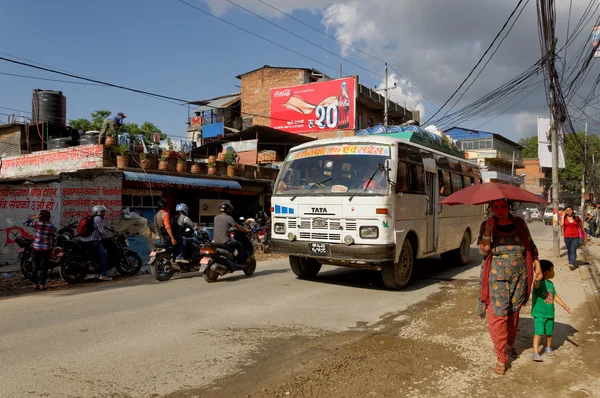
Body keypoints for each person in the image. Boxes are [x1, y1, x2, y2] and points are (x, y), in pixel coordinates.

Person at [477, 199, 542, 375]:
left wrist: (537, 265)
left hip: (520, 276)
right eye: (495, 207)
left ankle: (509, 343)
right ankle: (501, 357)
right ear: (491, 208)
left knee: (513, 312)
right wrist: (489, 230)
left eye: (503, 206)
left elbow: (530, 245)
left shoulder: (520, 223)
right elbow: (483, 251)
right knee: (498, 315)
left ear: (509, 207)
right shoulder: (486, 225)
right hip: (497, 278)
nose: (499, 210)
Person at [531, 260, 571, 361]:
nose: (554, 272)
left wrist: (564, 306)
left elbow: (555, 296)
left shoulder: (551, 284)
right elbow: (535, 285)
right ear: (546, 272)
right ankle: (535, 352)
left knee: (549, 332)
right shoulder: (539, 284)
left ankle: (548, 347)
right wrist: (536, 279)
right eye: (553, 270)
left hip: (549, 313)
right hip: (539, 313)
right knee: (538, 332)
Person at [23, 210, 57, 290]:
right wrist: (53, 247)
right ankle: (42, 285)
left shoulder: (37, 224)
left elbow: (25, 222)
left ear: (40, 216)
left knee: (34, 266)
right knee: (43, 268)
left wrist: (35, 217)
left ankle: (35, 284)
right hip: (46, 249)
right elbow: (55, 239)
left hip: (36, 248)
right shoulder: (52, 227)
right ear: (49, 217)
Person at [80, 205, 113, 281]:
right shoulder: (98, 218)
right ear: (98, 212)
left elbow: (102, 227)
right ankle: (103, 274)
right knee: (104, 254)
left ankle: (93, 272)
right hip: (92, 241)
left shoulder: (93, 218)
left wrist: (108, 229)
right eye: (103, 212)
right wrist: (110, 236)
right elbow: (101, 230)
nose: (104, 213)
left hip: (85, 241)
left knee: (95, 256)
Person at [560, 206, 585, 270]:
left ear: (572, 210)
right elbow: (561, 225)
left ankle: (572, 263)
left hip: (576, 237)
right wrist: (563, 215)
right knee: (569, 250)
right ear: (565, 211)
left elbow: (581, 226)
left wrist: (585, 234)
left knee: (573, 249)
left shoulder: (577, 218)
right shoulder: (564, 218)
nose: (569, 211)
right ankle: (571, 261)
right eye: (567, 210)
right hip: (567, 237)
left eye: (570, 210)